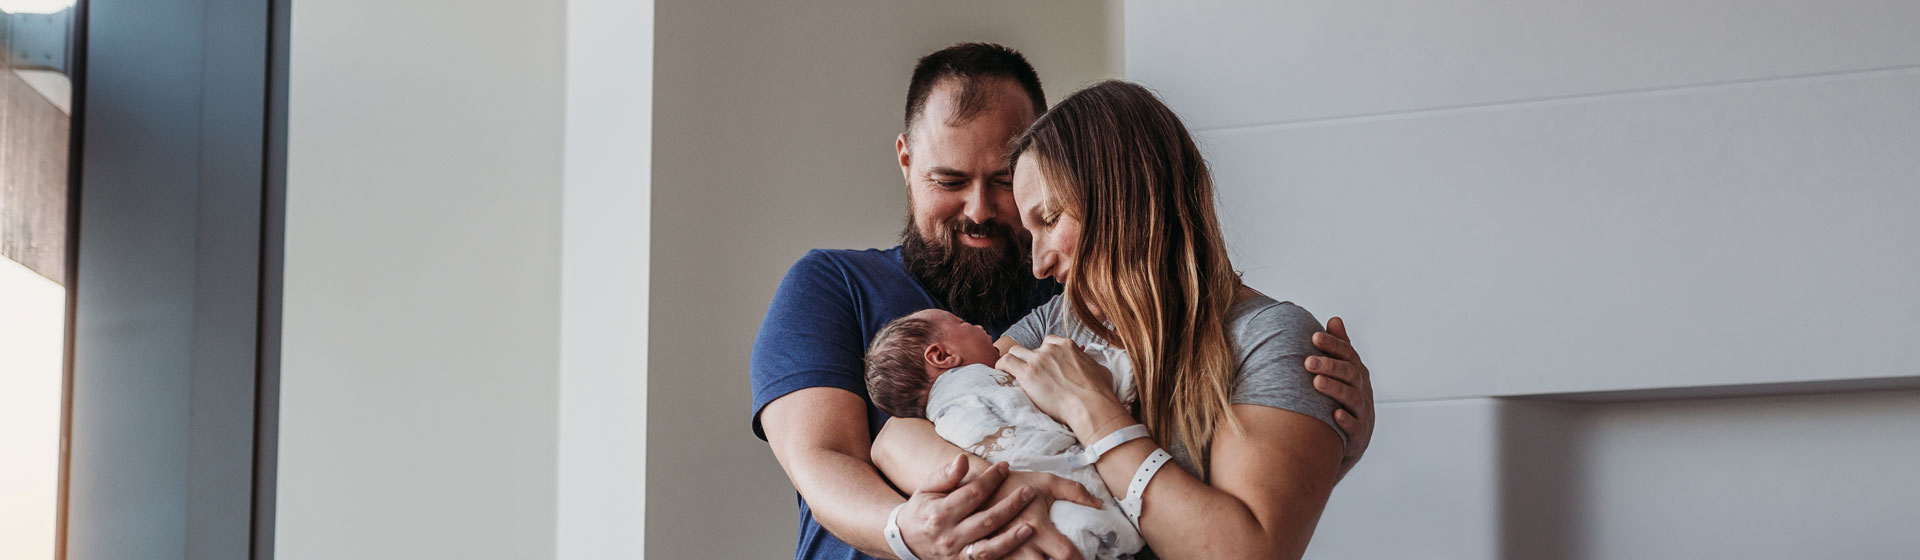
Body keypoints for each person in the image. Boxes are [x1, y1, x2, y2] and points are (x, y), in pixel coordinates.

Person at [751, 43, 1377, 560]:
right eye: (949, 180)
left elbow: (1245, 545)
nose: (1036, 257)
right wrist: (995, 498)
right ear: (907, 161)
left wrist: (1100, 415)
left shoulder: (1258, 336)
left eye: (1038, 212)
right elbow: (884, 444)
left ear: (1120, 196)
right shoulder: (1056, 317)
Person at [864, 309, 1143, 560]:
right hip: (1060, 494)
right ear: (942, 356)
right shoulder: (981, 381)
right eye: (965, 322)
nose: (982, 326)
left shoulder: (939, 417)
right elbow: (1049, 400)